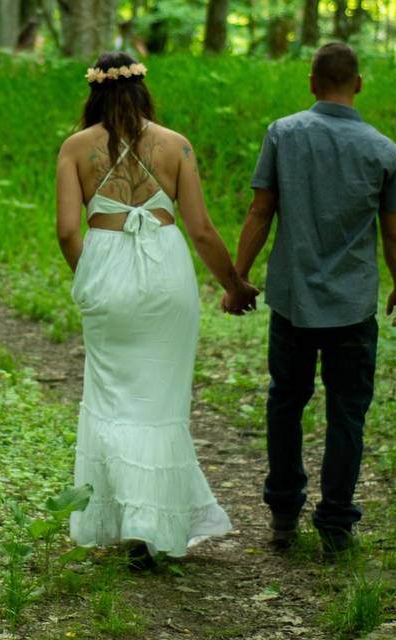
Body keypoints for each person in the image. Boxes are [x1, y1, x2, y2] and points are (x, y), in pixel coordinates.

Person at [56, 51, 259, 565]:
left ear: (94, 93)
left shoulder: (75, 149)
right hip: (167, 281)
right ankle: (152, 525)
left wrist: (90, 277)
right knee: (162, 404)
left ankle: (126, 520)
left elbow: (65, 230)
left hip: (106, 278)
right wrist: (233, 285)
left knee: (110, 397)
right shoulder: (177, 147)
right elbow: (201, 231)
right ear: (142, 91)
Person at [224, 42, 396, 556]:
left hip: (293, 300)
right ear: (358, 83)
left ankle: (284, 515)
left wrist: (236, 278)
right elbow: (395, 234)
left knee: (286, 402)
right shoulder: (382, 149)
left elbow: (260, 211)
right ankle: (335, 525)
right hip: (353, 306)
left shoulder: (284, 134)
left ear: (311, 82)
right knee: (347, 413)